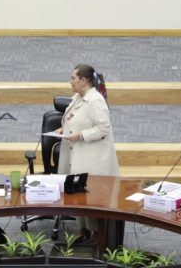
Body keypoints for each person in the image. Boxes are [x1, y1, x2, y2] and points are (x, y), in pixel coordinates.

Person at [57, 64, 120, 240]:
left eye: (73, 78)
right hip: (79, 155)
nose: (70, 82)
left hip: (93, 158)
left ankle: (96, 235)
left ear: (83, 81)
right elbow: (74, 118)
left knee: (91, 197)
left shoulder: (96, 100)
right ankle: (83, 230)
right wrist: (64, 128)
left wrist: (81, 135)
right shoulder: (78, 97)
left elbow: (103, 128)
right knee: (78, 194)